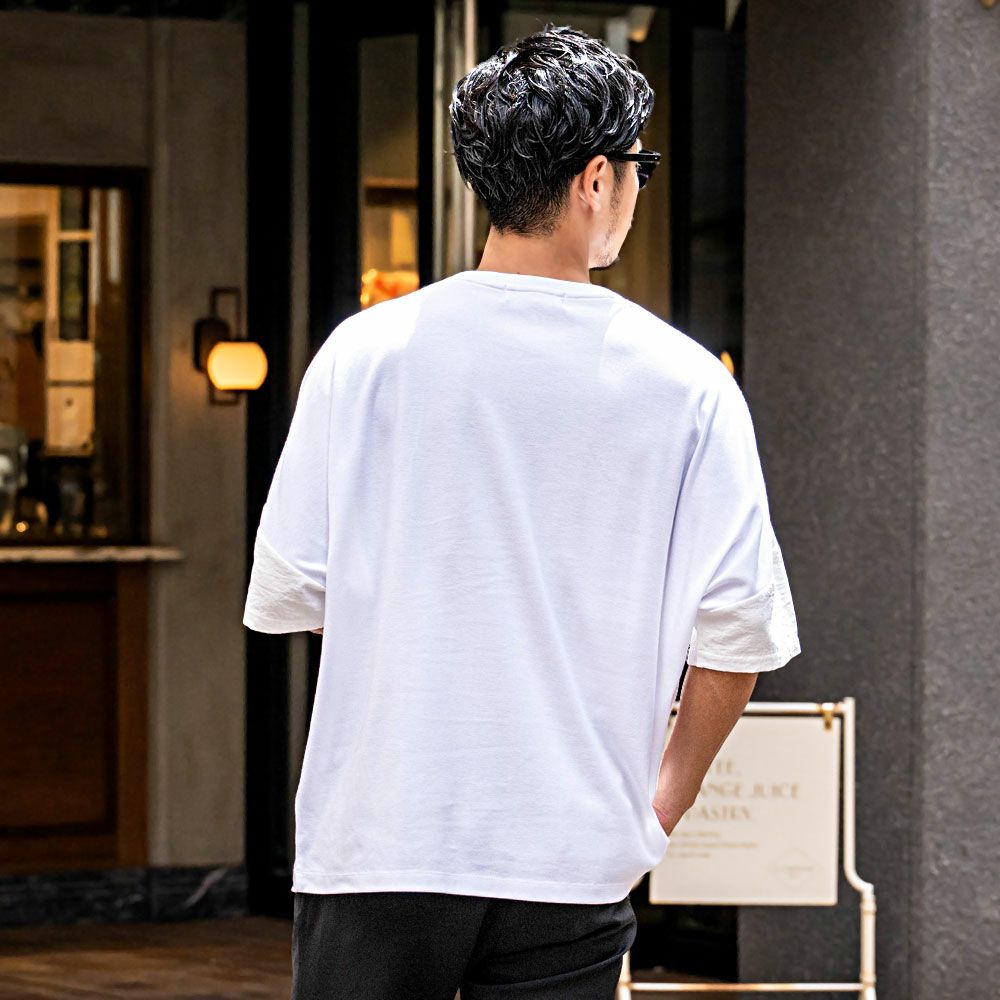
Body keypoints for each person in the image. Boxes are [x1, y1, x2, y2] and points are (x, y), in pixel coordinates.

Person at [243, 23, 801, 1000]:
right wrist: (658, 811)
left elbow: (299, 590)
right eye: (638, 168)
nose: (637, 188)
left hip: (380, 838)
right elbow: (736, 635)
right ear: (596, 180)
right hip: (572, 850)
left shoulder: (363, 356)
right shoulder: (685, 384)